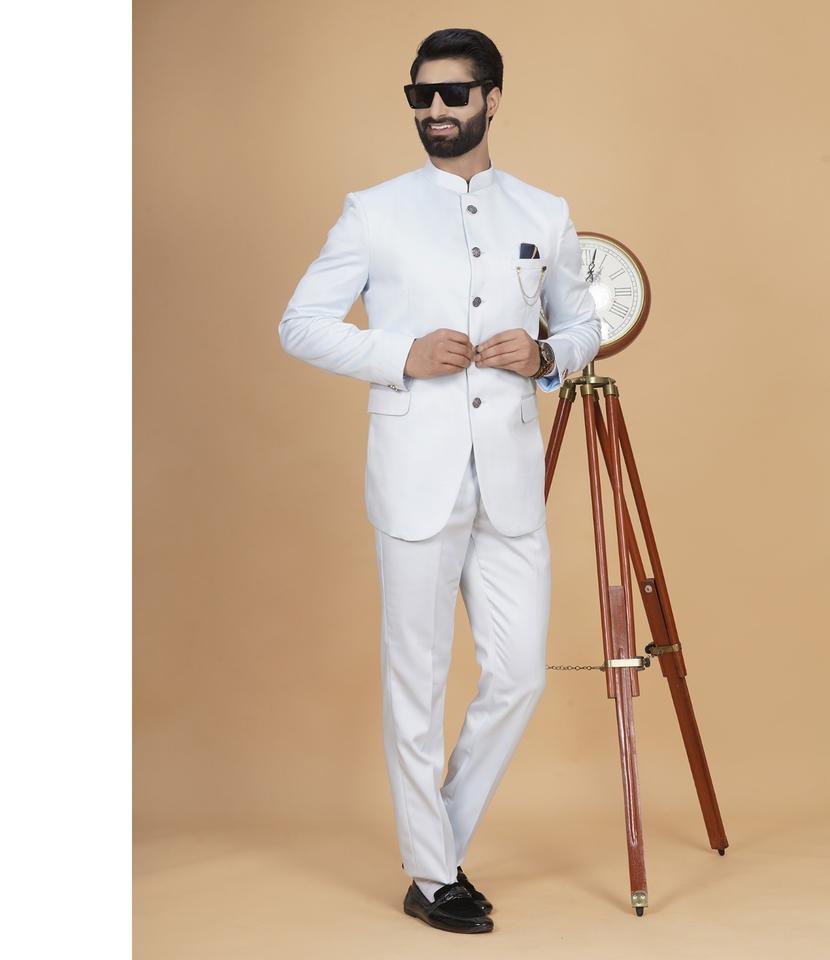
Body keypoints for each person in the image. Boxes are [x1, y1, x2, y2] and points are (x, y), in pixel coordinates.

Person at [278, 27, 601, 934]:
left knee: (520, 674)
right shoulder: (373, 212)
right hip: (415, 478)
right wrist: (399, 354)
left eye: (453, 95)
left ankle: (436, 846)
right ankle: (432, 874)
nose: (434, 111)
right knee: (415, 683)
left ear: (492, 98)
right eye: (420, 96)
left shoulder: (544, 212)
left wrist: (546, 354)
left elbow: (584, 326)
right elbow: (300, 323)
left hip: (509, 481)